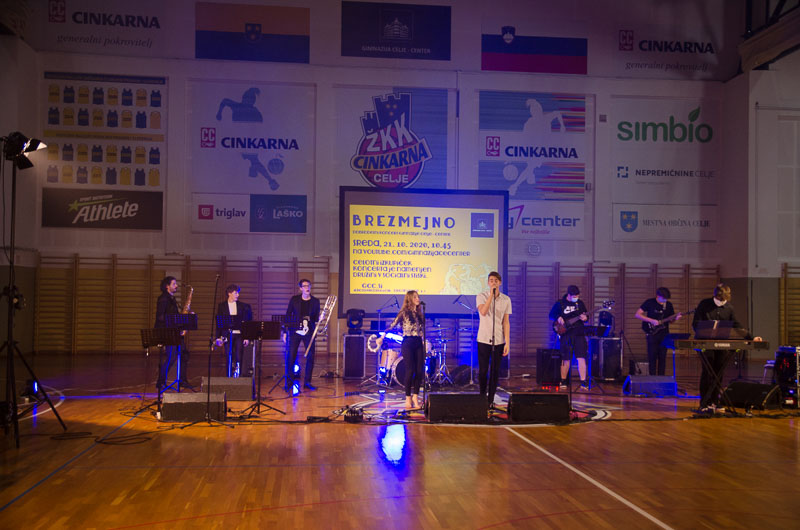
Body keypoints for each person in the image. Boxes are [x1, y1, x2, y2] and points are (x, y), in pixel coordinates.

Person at [692, 283, 760, 411]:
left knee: (719, 372)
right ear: (716, 296)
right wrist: (704, 331)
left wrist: (751, 337)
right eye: (721, 299)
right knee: (708, 371)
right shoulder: (704, 304)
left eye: (724, 300)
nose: (723, 301)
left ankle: (715, 401)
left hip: (721, 343)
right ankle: (704, 402)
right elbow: (695, 323)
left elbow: (737, 325)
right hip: (705, 343)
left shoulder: (729, 308)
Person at [377, 291, 427, 410]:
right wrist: (382, 337)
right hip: (408, 342)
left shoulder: (420, 314)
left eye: (418, 297)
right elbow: (392, 325)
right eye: (415, 297)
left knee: (419, 371)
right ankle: (408, 397)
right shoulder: (404, 313)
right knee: (410, 370)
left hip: (418, 342)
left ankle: (415, 396)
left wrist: (423, 341)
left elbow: (422, 331)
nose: (418, 299)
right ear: (409, 299)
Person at [476, 271, 512, 408]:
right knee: (483, 371)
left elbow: (506, 322)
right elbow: (483, 312)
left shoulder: (506, 300)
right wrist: (491, 295)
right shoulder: (481, 296)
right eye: (491, 280)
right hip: (483, 339)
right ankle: (482, 397)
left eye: (496, 281)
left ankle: (490, 400)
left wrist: (507, 342)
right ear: (488, 283)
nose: (493, 283)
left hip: (498, 340)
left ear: (500, 283)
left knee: (495, 372)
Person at [284, 278, 320, 392]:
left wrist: (320, 318)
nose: (307, 288)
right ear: (300, 288)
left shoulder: (315, 301)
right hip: (295, 331)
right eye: (304, 286)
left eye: (308, 285)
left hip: (309, 332)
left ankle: (307, 382)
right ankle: (289, 382)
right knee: (291, 356)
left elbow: (315, 318)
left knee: (310, 356)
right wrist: (284, 332)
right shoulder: (294, 300)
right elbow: (288, 315)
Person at [549, 285, 588, 390]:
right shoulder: (560, 303)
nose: (576, 298)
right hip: (566, 334)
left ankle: (583, 381)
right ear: (569, 295)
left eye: (577, 296)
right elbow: (551, 315)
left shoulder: (580, 303)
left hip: (579, 333)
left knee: (581, 357)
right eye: (574, 296)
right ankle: (563, 380)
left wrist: (585, 318)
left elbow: (585, 317)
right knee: (566, 358)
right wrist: (558, 317)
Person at [635, 287, 680, 376]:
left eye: (666, 299)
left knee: (662, 357)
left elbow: (671, 321)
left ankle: (661, 378)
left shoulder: (668, 305)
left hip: (664, 334)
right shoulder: (650, 302)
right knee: (652, 357)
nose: (665, 300)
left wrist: (676, 318)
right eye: (663, 298)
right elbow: (638, 314)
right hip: (652, 333)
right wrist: (651, 320)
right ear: (658, 296)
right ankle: (652, 378)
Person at [154, 276, 189, 392]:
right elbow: (160, 317)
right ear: (167, 286)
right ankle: (161, 381)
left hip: (174, 331)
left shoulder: (171, 299)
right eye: (174, 284)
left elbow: (173, 315)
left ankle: (182, 380)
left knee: (183, 354)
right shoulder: (163, 299)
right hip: (167, 331)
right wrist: (176, 321)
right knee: (171, 357)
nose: (176, 286)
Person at [215, 284, 253, 378]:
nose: (238, 295)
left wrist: (247, 337)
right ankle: (229, 376)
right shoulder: (222, 306)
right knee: (229, 355)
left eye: (238, 293)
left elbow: (247, 323)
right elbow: (219, 323)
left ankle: (239, 376)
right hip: (227, 335)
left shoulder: (243, 306)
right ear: (229, 293)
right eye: (236, 293)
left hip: (239, 335)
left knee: (239, 355)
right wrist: (218, 337)